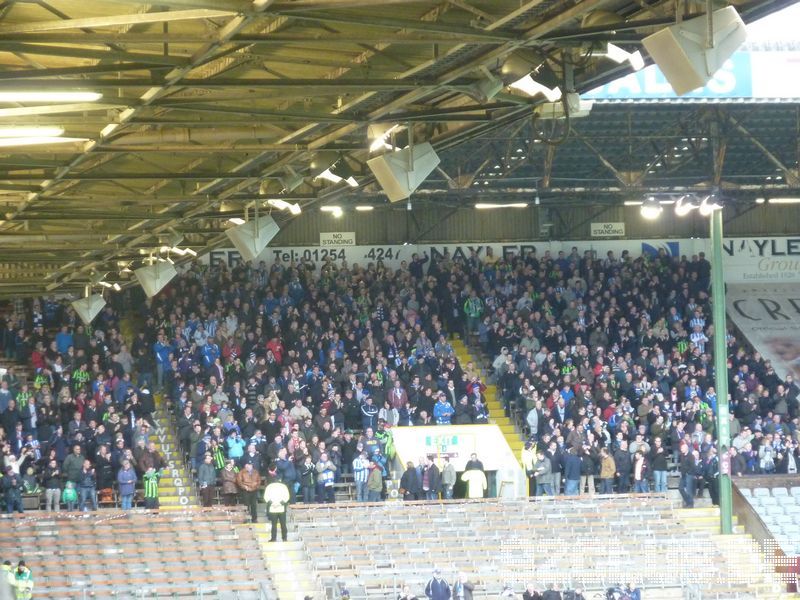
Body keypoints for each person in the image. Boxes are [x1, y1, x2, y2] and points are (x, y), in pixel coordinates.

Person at [264, 474, 290, 542]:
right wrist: (280, 503)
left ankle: (273, 538)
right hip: (281, 508)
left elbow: (266, 497)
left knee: (274, 524)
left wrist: (273, 503)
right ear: (280, 480)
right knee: (283, 524)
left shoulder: (269, 486)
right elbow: (287, 496)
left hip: (273, 508)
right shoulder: (283, 486)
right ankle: (284, 538)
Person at [678, 444, 697, 508]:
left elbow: (693, 466)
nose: (681, 449)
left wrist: (688, 473)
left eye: (682, 448)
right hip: (683, 474)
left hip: (689, 474)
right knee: (680, 488)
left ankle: (691, 504)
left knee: (689, 490)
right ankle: (687, 501)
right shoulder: (682, 456)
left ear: (686, 448)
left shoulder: (691, 456)